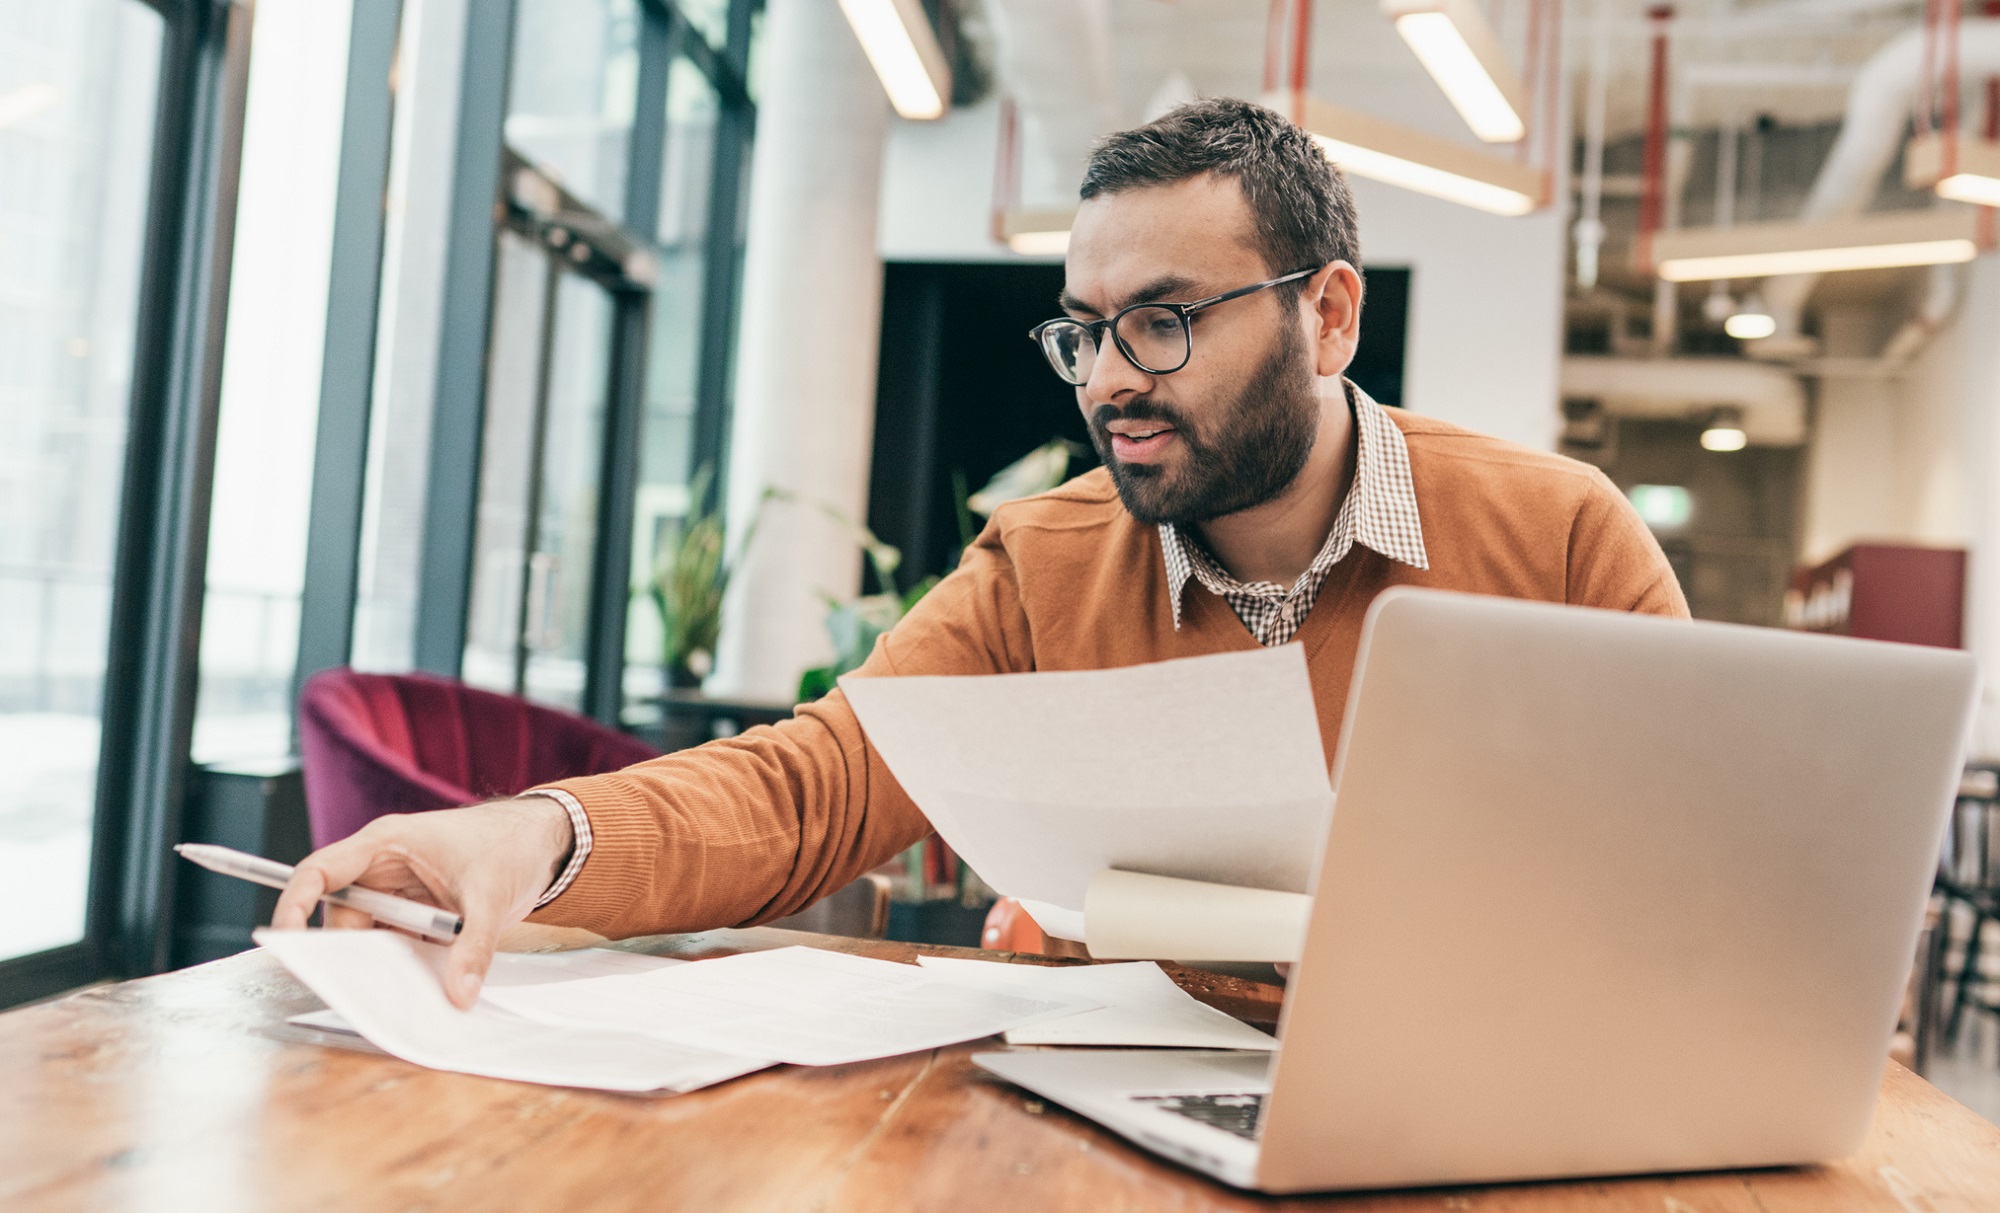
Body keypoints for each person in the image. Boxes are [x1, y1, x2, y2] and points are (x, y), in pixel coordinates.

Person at [275, 98, 1687, 1008]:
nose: (1110, 379)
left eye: (1167, 319)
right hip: (1116, 1111)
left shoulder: (1558, 539)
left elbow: (1682, 887)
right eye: (1087, 326)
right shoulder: (1044, 561)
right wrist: (539, 830)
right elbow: (814, 785)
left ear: (1327, 317)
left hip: (1463, 1110)